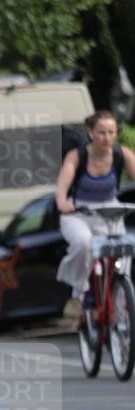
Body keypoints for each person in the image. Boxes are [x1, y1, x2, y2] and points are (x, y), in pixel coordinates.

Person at [56, 109, 135, 317]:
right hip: (80, 214)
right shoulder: (77, 155)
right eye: (101, 132)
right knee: (84, 243)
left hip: (110, 213)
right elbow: (62, 191)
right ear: (90, 131)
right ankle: (78, 292)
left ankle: (120, 304)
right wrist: (63, 202)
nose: (106, 138)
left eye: (111, 132)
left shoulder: (121, 154)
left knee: (125, 252)